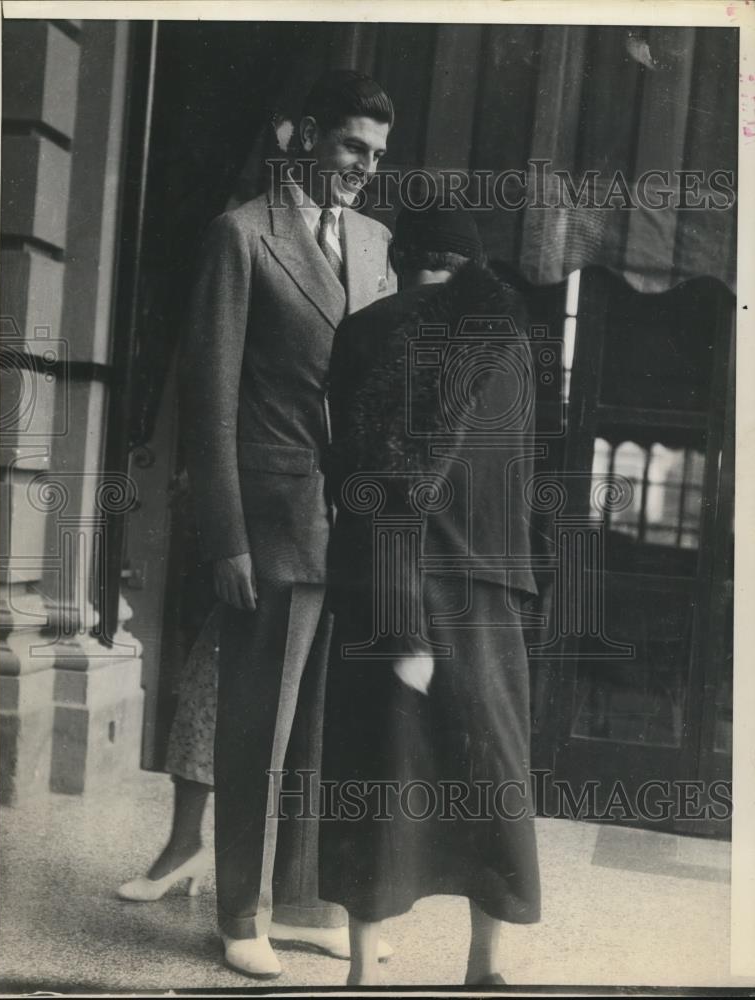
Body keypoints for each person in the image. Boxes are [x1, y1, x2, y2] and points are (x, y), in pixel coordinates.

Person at [157, 70, 397, 979]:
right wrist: (225, 538)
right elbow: (208, 398)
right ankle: (238, 914)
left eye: (375, 156)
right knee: (257, 726)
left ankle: (301, 898)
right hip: (269, 518)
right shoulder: (241, 236)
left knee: (326, 727)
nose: (362, 169)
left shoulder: (375, 244)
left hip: (355, 525)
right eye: (348, 148)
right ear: (303, 138)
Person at [320, 205, 548, 985]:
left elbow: (363, 480)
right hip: (487, 590)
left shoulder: (364, 331)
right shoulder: (510, 339)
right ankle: (484, 968)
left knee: (373, 775)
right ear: (472, 266)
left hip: (382, 582)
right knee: (494, 782)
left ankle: (361, 972)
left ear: (400, 259)